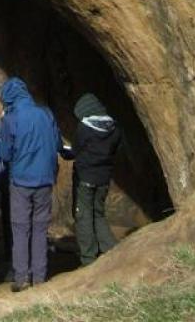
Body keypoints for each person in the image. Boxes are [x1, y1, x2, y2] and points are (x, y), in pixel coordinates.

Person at [0, 77, 62, 292]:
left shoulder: (10, 119)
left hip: (21, 180)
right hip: (45, 178)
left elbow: (4, 153)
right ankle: (40, 276)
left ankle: (22, 276)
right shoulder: (46, 114)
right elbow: (58, 144)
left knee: (21, 228)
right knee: (41, 228)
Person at [68, 93, 122, 266]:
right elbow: (115, 150)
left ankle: (88, 258)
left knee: (83, 216)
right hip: (104, 178)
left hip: (85, 178)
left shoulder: (84, 128)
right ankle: (112, 250)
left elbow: (76, 149)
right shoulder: (114, 128)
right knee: (98, 214)